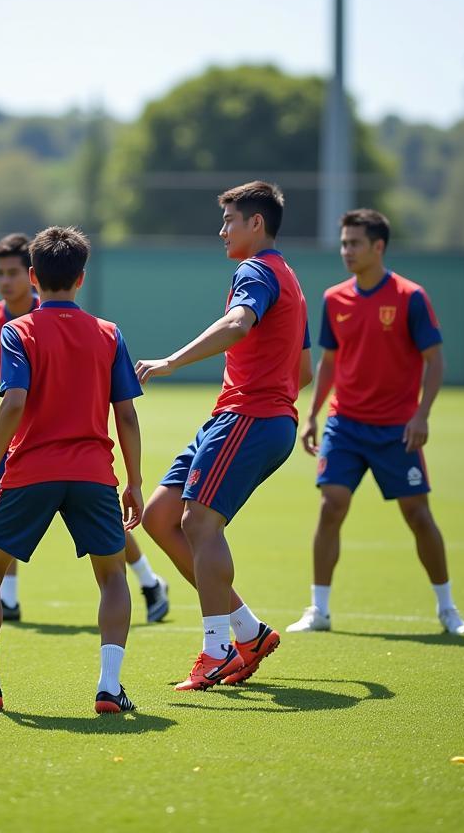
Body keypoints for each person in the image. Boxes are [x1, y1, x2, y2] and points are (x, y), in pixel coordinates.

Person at [0, 226, 143, 714]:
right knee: (112, 578)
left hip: (31, 471)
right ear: (81, 278)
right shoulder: (108, 333)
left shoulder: (17, 330)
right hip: (93, 473)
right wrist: (136, 482)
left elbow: (14, 400)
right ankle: (108, 687)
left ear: (34, 276)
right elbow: (126, 414)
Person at [136, 181, 312, 691]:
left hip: (249, 418)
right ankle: (247, 632)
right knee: (161, 516)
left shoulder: (254, 270)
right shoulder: (290, 280)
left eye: (229, 221)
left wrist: (171, 360)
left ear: (256, 223)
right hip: (248, 418)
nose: (222, 232)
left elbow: (238, 324)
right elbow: (303, 370)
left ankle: (216, 651)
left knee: (199, 523)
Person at [288, 208, 464, 636]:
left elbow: (435, 360)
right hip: (345, 427)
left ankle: (447, 608)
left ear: (379, 247)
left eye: (355, 243)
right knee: (331, 505)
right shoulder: (335, 299)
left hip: (396, 431)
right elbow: (330, 363)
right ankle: (319, 609)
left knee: (418, 516)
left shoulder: (411, 297)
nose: (346, 251)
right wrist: (313, 415)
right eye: (343, 243)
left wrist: (421, 415)